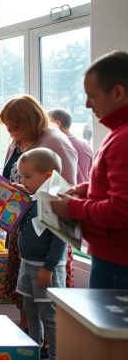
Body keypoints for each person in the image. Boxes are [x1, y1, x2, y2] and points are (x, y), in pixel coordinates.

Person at [0, 94, 77, 329]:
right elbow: (13, 175)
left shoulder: (55, 141)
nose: (11, 131)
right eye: (8, 126)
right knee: (26, 299)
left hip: (48, 233)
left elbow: (65, 190)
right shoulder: (18, 140)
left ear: (30, 120)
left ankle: (49, 348)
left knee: (48, 304)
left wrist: (33, 196)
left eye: (15, 125)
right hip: (23, 227)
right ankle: (31, 342)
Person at [51, 51, 128, 289]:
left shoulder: (124, 138)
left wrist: (72, 208)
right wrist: (90, 189)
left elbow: (121, 210)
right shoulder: (118, 132)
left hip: (118, 263)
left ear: (117, 92)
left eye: (92, 96)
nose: (87, 105)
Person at [16, 148, 67, 360]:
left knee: (49, 315)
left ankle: (54, 355)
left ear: (47, 176)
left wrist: (48, 267)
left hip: (47, 268)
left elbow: (60, 238)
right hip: (26, 264)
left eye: (28, 177)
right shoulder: (35, 197)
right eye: (21, 176)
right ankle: (34, 351)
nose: (23, 180)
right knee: (30, 310)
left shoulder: (54, 200)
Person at [48, 108, 93, 183]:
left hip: (68, 191)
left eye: (46, 123)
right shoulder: (85, 144)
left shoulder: (57, 146)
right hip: (84, 190)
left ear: (57, 124)